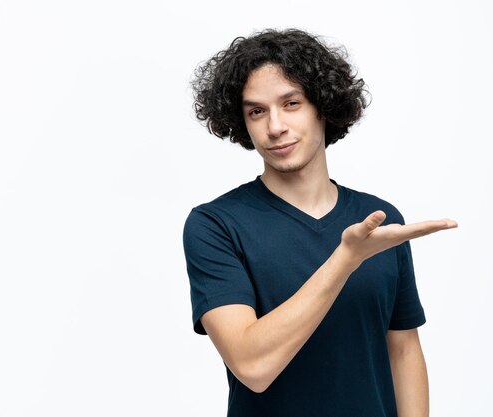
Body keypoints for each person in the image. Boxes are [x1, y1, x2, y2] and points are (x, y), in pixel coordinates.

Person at [183, 28, 457, 417]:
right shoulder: (215, 225)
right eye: (256, 111)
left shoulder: (379, 220)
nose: (274, 126)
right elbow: (252, 366)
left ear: (322, 107)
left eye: (291, 103)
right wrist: (346, 259)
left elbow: (403, 350)